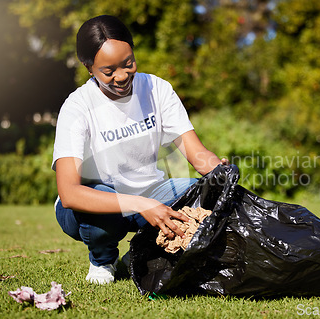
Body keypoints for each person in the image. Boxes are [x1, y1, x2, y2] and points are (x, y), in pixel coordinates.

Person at [52, 15, 227, 285]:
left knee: (200, 193)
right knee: (102, 214)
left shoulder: (157, 89)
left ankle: (139, 252)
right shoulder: (77, 107)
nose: (121, 77)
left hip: (151, 191)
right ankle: (103, 258)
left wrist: (219, 173)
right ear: (89, 68)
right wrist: (141, 204)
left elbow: (195, 152)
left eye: (128, 64)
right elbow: (70, 192)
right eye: (108, 71)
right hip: (92, 202)